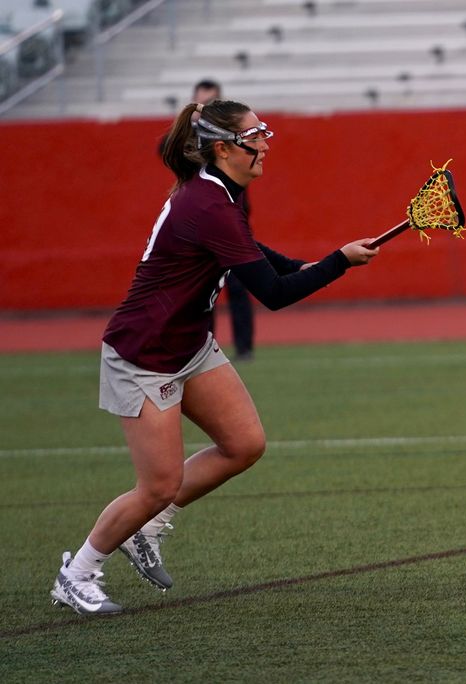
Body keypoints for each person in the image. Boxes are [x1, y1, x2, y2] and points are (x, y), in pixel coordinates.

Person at [50, 98, 379, 615]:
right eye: (257, 136)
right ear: (224, 148)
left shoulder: (221, 195)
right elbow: (271, 292)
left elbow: (253, 251)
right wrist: (338, 262)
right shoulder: (206, 204)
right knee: (159, 484)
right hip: (146, 355)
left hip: (191, 345)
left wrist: (313, 263)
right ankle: (78, 571)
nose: (266, 144)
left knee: (244, 444)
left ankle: (146, 529)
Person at [194, 80, 257, 361]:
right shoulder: (195, 145)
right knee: (201, 295)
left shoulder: (234, 142)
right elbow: (166, 148)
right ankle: (205, 348)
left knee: (240, 289)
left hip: (233, 225)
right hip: (208, 230)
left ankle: (244, 348)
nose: (262, 148)